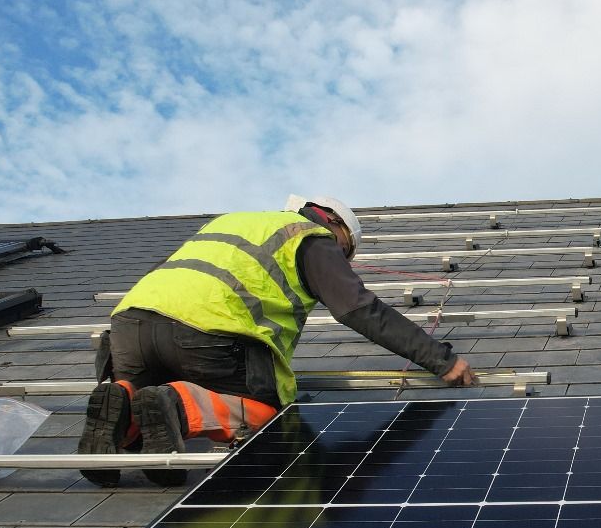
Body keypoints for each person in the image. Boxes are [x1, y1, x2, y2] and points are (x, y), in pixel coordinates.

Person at [78, 194, 476, 485]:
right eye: (345, 251)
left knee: (138, 387)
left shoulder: (232, 222)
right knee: (272, 417)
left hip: (129, 327)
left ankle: (125, 403)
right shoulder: (308, 237)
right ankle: (179, 408)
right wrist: (440, 360)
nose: (342, 258)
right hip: (206, 335)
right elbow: (358, 309)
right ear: (334, 224)